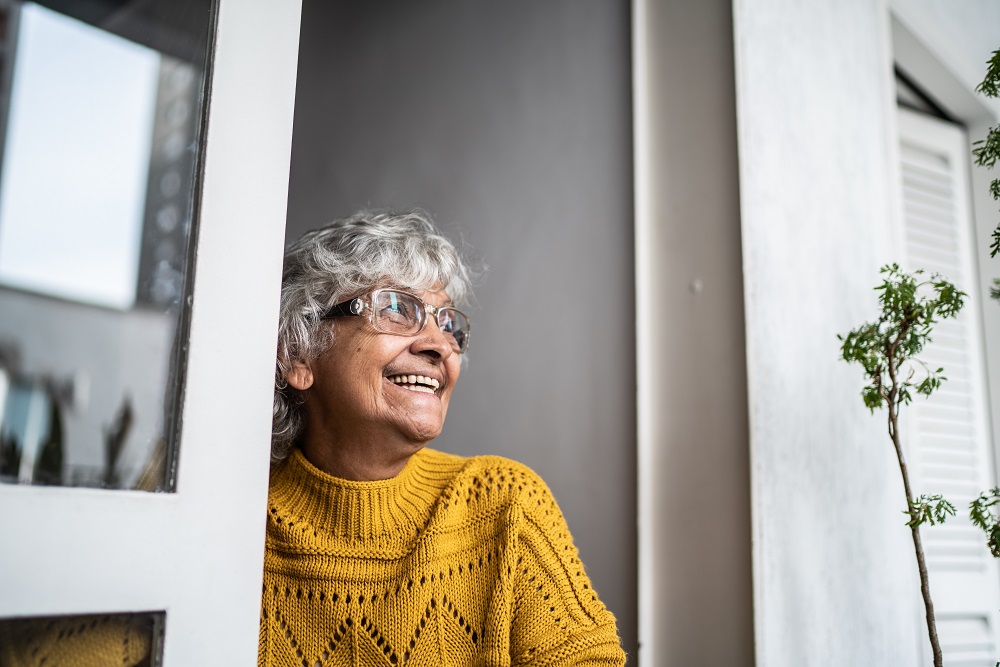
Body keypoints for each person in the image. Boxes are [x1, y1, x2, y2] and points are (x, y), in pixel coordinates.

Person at [261, 210, 626, 666]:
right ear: (298, 354)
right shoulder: (233, 519)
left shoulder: (506, 505)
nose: (439, 344)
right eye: (396, 308)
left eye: (448, 323)